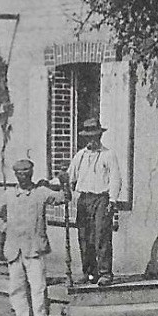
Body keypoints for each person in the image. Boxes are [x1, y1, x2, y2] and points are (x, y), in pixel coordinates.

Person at [0, 159, 68, 316]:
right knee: (16, 288)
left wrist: (65, 182)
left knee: (38, 288)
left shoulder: (41, 193)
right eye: (20, 174)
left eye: (27, 173)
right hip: (14, 248)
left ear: (32, 173)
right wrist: (4, 227)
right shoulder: (8, 195)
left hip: (34, 248)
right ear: (16, 175)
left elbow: (63, 199)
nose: (24, 177)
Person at [66, 118, 124, 285]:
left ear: (100, 136)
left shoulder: (108, 154)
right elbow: (70, 176)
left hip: (101, 199)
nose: (91, 140)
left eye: (95, 136)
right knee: (85, 237)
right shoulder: (80, 156)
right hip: (84, 199)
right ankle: (89, 273)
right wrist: (55, 183)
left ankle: (105, 272)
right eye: (88, 137)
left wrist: (112, 200)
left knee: (101, 236)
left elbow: (115, 178)